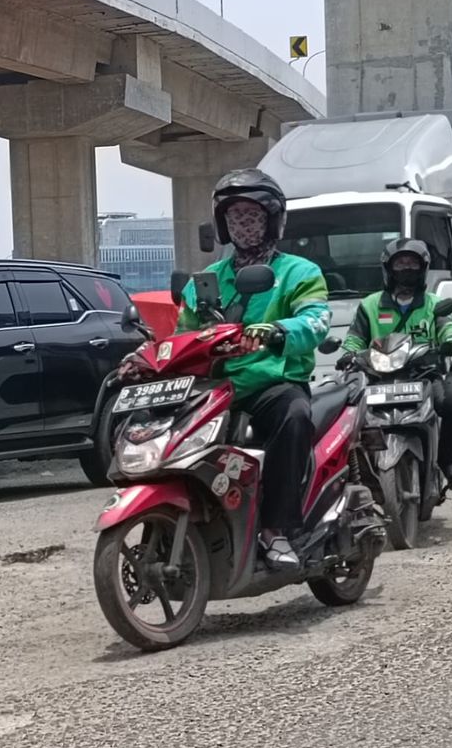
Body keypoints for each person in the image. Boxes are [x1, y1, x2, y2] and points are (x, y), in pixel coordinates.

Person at [128, 168, 330, 569]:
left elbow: (316, 321)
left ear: (272, 221)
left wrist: (276, 330)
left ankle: (278, 531)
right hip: (213, 388)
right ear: (223, 224)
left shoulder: (299, 273)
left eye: (252, 215)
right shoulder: (206, 282)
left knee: (294, 417)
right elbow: (180, 337)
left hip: (271, 384)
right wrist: (146, 359)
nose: (244, 224)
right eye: (235, 216)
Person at [338, 238, 452, 487]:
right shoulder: (370, 305)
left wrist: (451, 341)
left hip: (427, 372)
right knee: (346, 412)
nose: (406, 269)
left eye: (412, 263)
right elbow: (355, 338)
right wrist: (348, 354)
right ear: (389, 269)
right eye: (400, 264)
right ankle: (354, 471)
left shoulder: (433, 304)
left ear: (423, 268)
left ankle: (447, 459)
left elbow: (448, 326)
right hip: (380, 375)